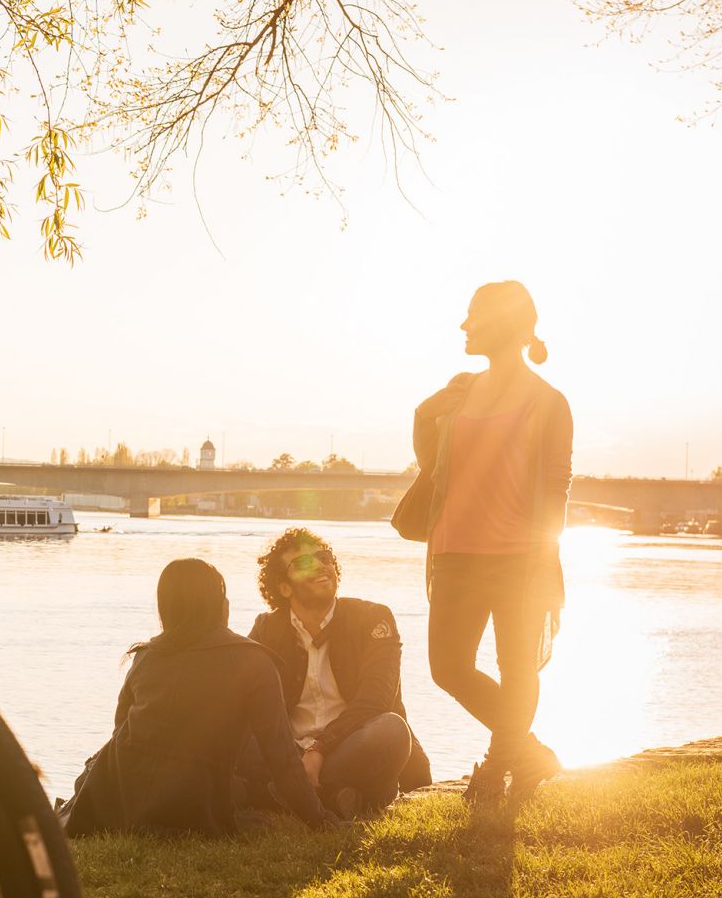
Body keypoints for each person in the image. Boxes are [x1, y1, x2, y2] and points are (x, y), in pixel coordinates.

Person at [409, 280, 571, 803]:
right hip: (454, 552)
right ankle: (532, 754)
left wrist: (545, 564)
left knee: (517, 667)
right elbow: (430, 464)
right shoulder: (460, 388)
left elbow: (555, 490)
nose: (462, 326)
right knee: (448, 667)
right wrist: (424, 413)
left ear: (500, 324)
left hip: (518, 559)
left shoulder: (549, 402)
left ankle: (499, 767)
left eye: (472, 316)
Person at [58, 558, 329, 836]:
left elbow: (121, 732)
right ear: (219, 604)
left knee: (98, 764)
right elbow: (281, 757)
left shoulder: (146, 656)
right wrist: (320, 820)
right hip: (193, 805)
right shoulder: (255, 661)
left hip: (118, 798)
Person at [244, 529, 432, 818]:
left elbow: (375, 701)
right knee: (232, 732)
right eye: (305, 563)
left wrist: (320, 749)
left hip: (351, 746)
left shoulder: (373, 618)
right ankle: (336, 797)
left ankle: (288, 794)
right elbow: (248, 701)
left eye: (324, 557)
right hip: (290, 753)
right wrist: (297, 757)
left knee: (391, 730)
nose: (321, 565)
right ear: (284, 588)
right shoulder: (267, 629)